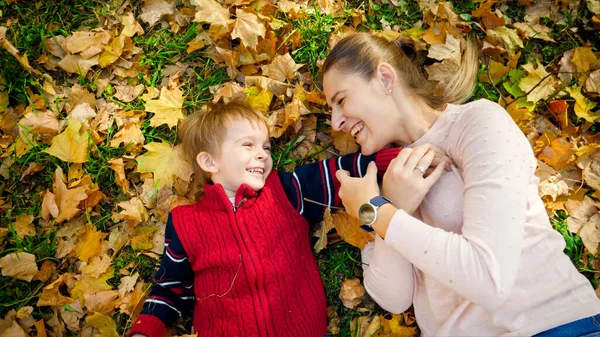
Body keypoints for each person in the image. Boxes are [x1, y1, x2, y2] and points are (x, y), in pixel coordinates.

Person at [322, 32, 600, 337]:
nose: (336, 123)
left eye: (341, 100)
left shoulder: (478, 124)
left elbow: (489, 280)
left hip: (551, 326)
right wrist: (392, 206)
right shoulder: (382, 178)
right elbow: (394, 297)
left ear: (385, 78)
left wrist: (375, 212)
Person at [127, 102, 428, 337]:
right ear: (209, 161)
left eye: (266, 147)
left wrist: (398, 160)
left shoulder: (286, 191)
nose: (262, 154)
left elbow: (338, 174)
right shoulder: (186, 223)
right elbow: (169, 287)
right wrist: (145, 329)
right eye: (248, 145)